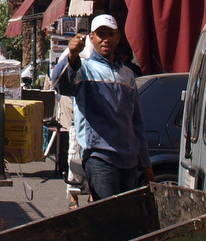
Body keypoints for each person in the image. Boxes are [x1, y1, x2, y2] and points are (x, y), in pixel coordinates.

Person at [50, 13, 153, 201]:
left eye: (110, 34)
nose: (105, 39)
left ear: (117, 38)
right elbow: (58, 83)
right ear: (92, 38)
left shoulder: (128, 75)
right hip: (100, 159)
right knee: (108, 218)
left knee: (126, 218)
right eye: (101, 34)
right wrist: (71, 56)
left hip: (129, 160)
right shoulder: (84, 69)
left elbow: (137, 122)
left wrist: (145, 164)